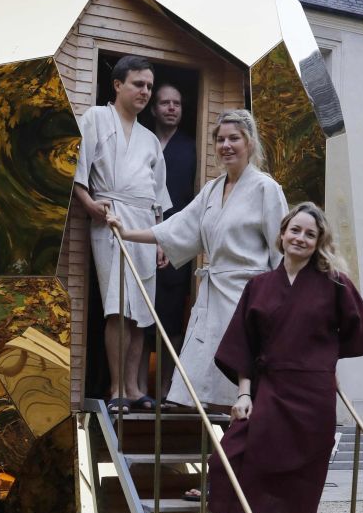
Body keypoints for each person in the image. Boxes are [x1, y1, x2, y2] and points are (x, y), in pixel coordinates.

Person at [206, 202, 363, 513]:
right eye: (294, 231)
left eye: (309, 234)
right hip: (267, 389)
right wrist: (244, 393)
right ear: (282, 233)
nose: (300, 238)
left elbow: (358, 333)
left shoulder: (334, 284)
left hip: (312, 398)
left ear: (319, 242)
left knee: (303, 493)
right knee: (231, 459)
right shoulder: (259, 285)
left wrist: (322, 363)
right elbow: (242, 345)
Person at [109, 109, 287, 414]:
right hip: (213, 294)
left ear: (250, 143)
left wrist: (282, 307)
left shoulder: (266, 189)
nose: (226, 145)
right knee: (203, 384)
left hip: (249, 297)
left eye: (234, 138)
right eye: (220, 139)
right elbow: (176, 228)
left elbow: (281, 253)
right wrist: (127, 233)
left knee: (241, 382)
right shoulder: (212, 190)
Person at [73, 55, 170, 412]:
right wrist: (89, 205)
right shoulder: (96, 119)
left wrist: (160, 238)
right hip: (110, 218)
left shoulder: (149, 139)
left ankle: (134, 387)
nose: (145, 91)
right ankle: (116, 390)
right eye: (138, 84)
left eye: (149, 86)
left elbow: (159, 197)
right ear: (117, 85)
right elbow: (78, 173)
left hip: (143, 224)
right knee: (117, 307)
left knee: (141, 311)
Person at [147, 84, 198, 383]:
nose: (171, 108)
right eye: (164, 103)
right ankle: (138, 387)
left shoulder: (192, 147)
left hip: (178, 242)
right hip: (142, 236)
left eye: (176, 103)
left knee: (172, 318)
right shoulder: (140, 140)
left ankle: (166, 389)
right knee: (138, 318)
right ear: (153, 108)